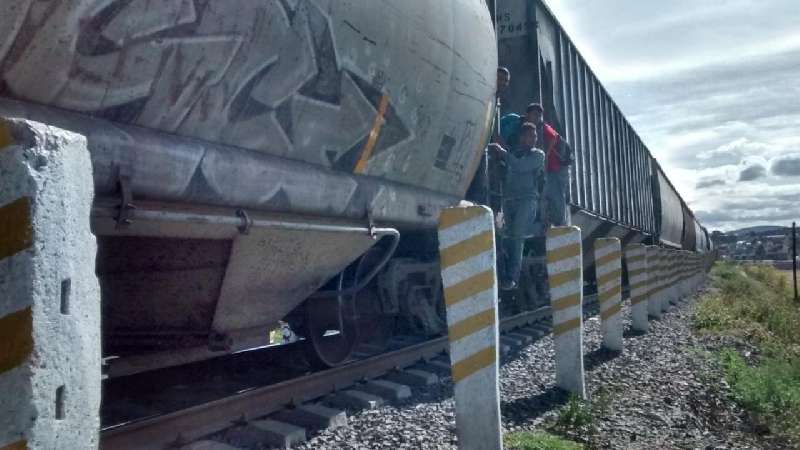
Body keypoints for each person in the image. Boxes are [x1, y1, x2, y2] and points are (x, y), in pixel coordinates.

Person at [489, 123, 545, 290]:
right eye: (530, 136)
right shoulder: (514, 153)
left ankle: (512, 278)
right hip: (509, 200)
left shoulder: (538, 155)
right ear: (522, 137)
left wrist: (503, 153)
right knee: (505, 237)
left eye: (535, 136)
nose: (534, 139)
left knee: (517, 236)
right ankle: (503, 273)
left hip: (527, 200)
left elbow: (521, 167)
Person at [527, 103, 572, 227]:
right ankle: (544, 220)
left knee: (556, 195)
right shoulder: (531, 129)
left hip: (557, 168)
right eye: (534, 114)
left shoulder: (544, 129)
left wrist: (543, 166)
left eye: (539, 115)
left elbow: (551, 142)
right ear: (528, 115)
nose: (537, 117)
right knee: (545, 193)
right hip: (550, 167)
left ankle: (560, 224)